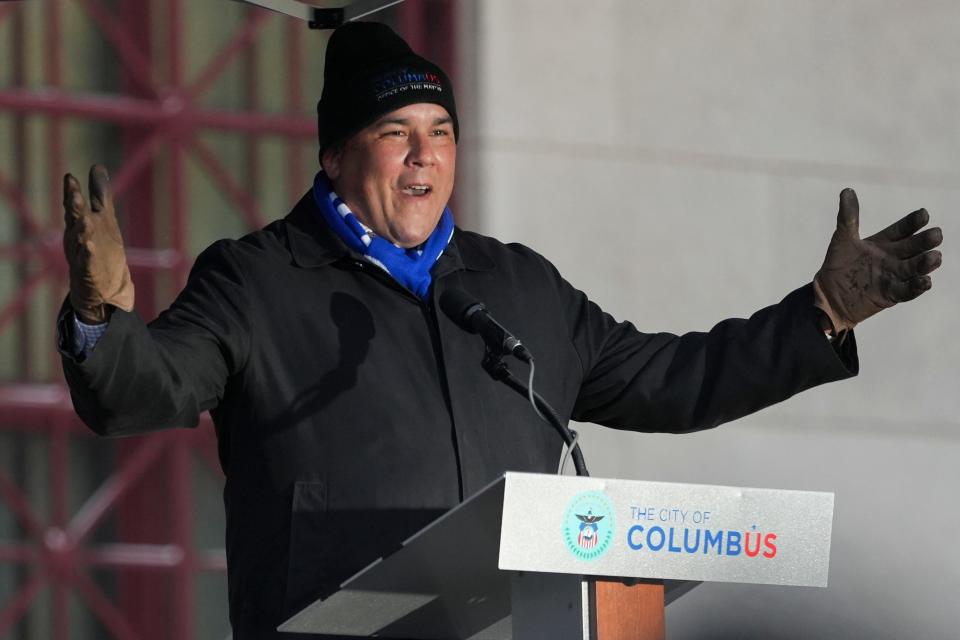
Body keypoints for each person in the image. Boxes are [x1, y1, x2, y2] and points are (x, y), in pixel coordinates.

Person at [58, 22, 943, 639]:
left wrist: (820, 314)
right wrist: (102, 317)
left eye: (441, 131)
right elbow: (148, 389)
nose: (425, 156)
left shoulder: (515, 286)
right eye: (395, 132)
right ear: (334, 155)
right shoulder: (256, 281)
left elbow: (674, 378)